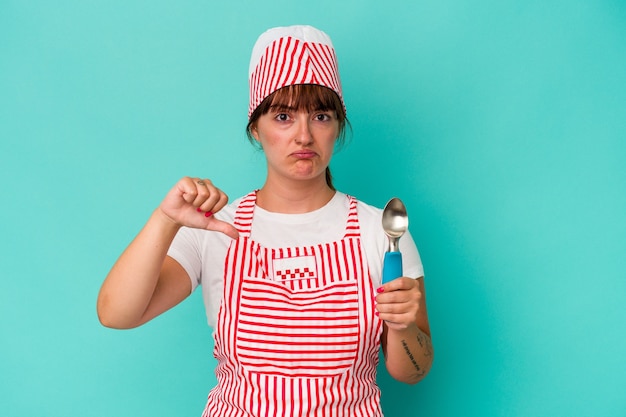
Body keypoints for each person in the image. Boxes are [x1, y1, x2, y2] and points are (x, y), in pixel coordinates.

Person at [97, 25, 433, 416]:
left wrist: (404, 326)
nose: (304, 136)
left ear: (338, 126)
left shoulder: (382, 233)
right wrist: (164, 220)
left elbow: (413, 371)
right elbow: (116, 314)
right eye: (284, 116)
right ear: (256, 128)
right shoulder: (215, 228)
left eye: (321, 116)